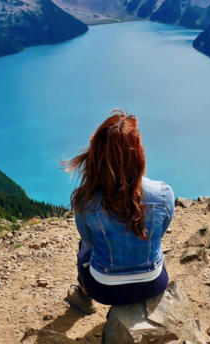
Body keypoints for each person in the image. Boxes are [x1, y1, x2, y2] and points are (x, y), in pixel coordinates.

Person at [63, 110, 175, 314]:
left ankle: (83, 296)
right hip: (152, 283)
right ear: (138, 155)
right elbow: (161, 231)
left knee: (83, 248)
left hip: (104, 290)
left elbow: (89, 242)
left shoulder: (85, 201)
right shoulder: (163, 194)